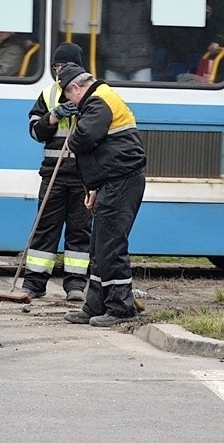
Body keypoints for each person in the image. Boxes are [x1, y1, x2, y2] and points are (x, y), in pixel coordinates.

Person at [55, 63, 146, 327]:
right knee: (99, 247)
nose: (69, 102)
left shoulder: (98, 100)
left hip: (122, 181)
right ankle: (94, 305)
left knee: (111, 246)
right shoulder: (102, 98)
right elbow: (101, 154)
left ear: (76, 87)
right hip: (113, 181)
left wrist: (70, 141)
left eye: (68, 96)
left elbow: (85, 138)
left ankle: (120, 308)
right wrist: (93, 188)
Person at [19, 43, 91, 302]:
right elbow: (35, 132)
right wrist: (52, 116)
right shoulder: (48, 95)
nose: (60, 72)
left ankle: (75, 285)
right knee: (45, 228)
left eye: (64, 66)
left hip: (83, 176)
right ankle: (34, 283)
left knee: (80, 231)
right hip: (54, 173)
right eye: (56, 67)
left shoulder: (92, 93)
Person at [99, 0, 153, 82]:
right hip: (113, 61)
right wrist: (106, 50)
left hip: (141, 60)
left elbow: (155, 20)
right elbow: (102, 24)